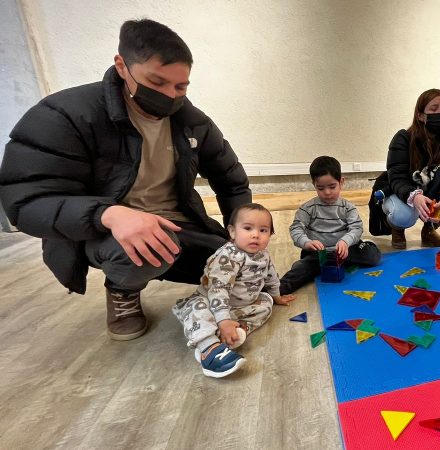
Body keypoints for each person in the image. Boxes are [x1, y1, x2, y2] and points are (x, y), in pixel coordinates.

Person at [0, 19, 251, 341]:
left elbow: (232, 181)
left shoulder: (192, 123)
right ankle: (122, 291)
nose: (169, 96)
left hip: (176, 223)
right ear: (122, 66)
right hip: (101, 228)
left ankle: (173, 261)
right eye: (156, 82)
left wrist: (240, 233)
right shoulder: (65, 115)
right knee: (151, 248)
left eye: (180, 87)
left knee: (238, 270)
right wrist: (110, 214)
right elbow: (25, 202)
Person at [172, 203, 295, 378]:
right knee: (196, 307)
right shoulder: (227, 257)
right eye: (247, 228)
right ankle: (209, 349)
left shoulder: (263, 255)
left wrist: (276, 296)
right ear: (232, 231)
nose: (255, 235)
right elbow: (218, 290)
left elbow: (271, 276)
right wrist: (222, 320)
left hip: (238, 307)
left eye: (263, 230)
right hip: (212, 302)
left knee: (266, 302)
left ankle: (233, 333)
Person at [279, 156, 381, 294]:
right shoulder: (308, 208)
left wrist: (345, 241)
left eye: (332, 186)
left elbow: (356, 228)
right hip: (319, 253)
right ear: (314, 184)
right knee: (299, 272)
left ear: (341, 182)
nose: (327, 192)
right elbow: (296, 228)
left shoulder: (348, 207)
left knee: (373, 257)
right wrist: (307, 243)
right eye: (320, 188)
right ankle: (273, 292)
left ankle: (365, 246)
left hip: (345, 249)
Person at [382, 89, 440, 249]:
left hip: (433, 190)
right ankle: (397, 229)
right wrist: (414, 197)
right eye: (434, 109)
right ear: (420, 115)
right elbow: (397, 177)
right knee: (405, 216)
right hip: (403, 191)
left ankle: (429, 230)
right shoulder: (403, 138)